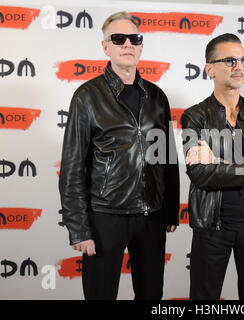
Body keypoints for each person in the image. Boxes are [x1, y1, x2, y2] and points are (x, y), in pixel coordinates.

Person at [59, 11, 179, 300]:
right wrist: (78, 229)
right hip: (104, 216)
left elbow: (168, 158)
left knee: (152, 295)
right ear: (106, 47)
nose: (127, 44)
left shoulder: (157, 95)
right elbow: (73, 166)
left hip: (151, 215)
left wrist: (171, 208)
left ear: (141, 45)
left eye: (134, 38)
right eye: (118, 38)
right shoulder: (87, 96)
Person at [180, 33, 244, 300]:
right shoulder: (195, 116)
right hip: (211, 227)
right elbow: (201, 174)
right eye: (229, 60)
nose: (239, 66)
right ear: (210, 68)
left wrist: (219, 164)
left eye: (242, 60)